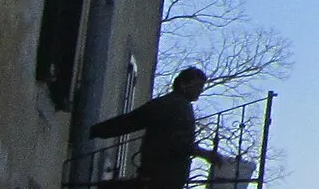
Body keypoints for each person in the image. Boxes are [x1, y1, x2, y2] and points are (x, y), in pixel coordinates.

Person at [89, 67, 224, 189]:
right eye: (198, 85)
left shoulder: (170, 104)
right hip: (162, 177)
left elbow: (130, 121)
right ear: (184, 84)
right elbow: (178, 142)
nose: (200, 90)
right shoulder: (178, 106)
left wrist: (96, 131)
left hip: (156, 176)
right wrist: (204, 153)